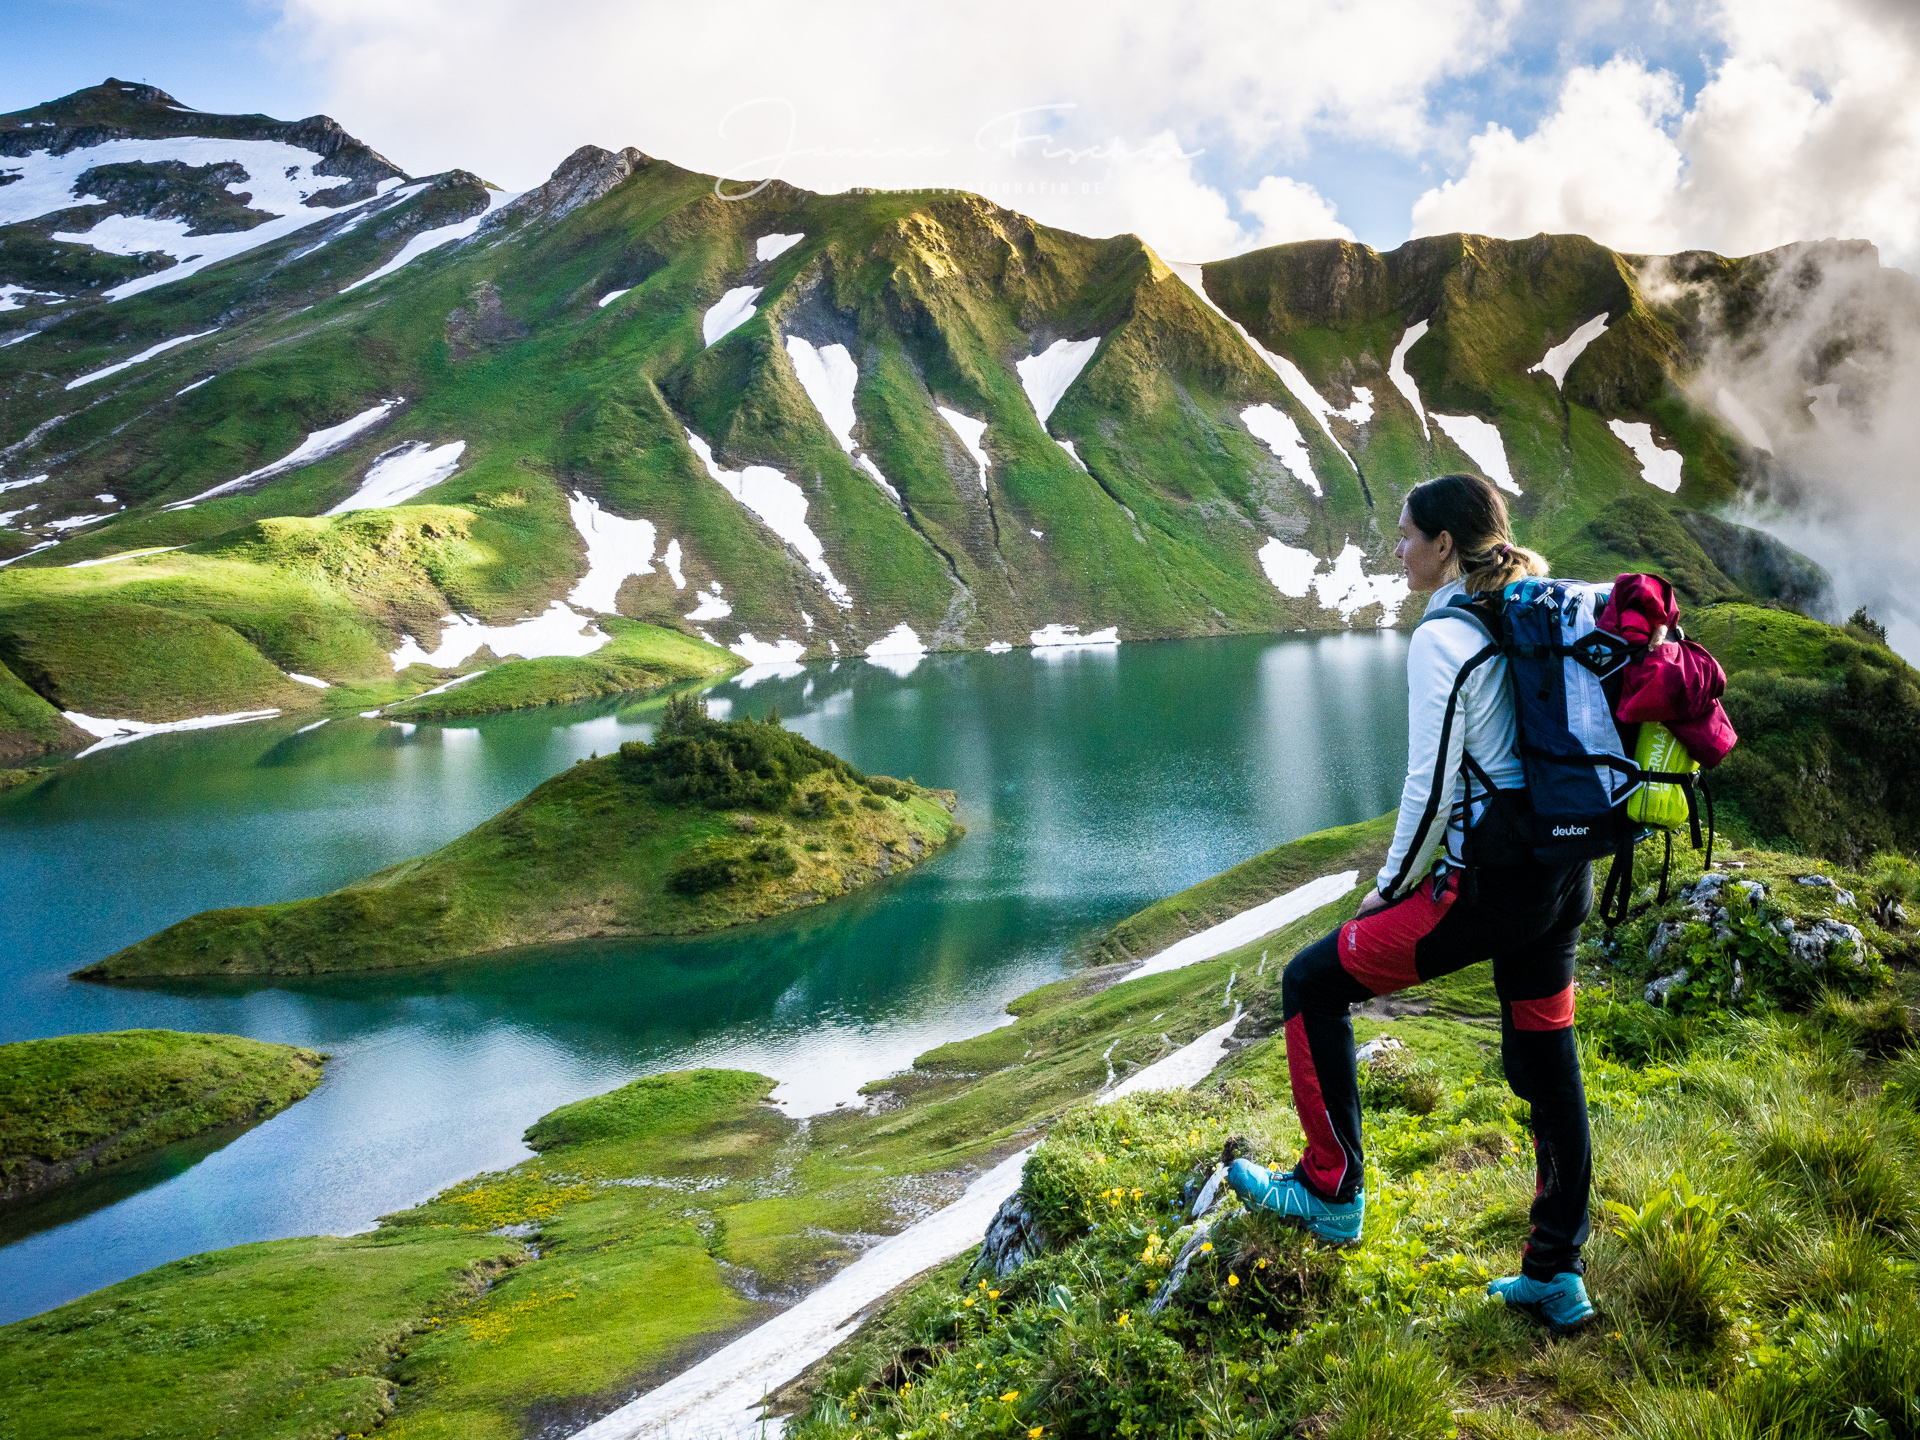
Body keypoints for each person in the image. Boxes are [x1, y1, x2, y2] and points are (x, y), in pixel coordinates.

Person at [1225, 472, 1599, 1334]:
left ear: (1442, 545)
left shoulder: (1445, 635)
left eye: (1404, 536)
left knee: (1312, 981)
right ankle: (1555, 1273)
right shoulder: (1526, 604)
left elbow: (1430, 789)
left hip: (1490, 885)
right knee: (1549, 1065)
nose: (1395, 550)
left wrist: (1384, 894)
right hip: (1558, 877)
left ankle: (1330, 1190)